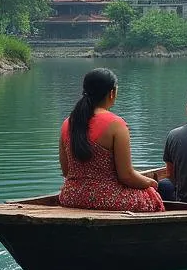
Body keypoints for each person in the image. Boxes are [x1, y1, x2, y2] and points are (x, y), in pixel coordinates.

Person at [58, 68, 164, 212]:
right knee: (151, 195)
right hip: (106, 198)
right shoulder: (116, 124)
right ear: (112, 93)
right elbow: (126, 176)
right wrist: (150, 183)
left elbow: (66, 171)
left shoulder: (67, 123)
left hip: (71, 197)